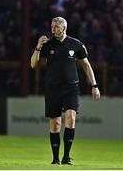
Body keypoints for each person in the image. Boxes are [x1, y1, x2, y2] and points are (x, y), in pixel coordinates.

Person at [31, 17, 100, 165]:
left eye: (56, 27)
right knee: (55, 123)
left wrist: (94, 86)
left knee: (71, 118)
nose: (53, 29)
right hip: (52, 88)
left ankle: (66, 157)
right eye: (52, 26)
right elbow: (33, 64)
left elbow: (86, 65)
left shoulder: (75, 44)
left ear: (64, 28)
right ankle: (55, 158)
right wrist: (37, 47)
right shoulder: (47, 45)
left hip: (71, 88)